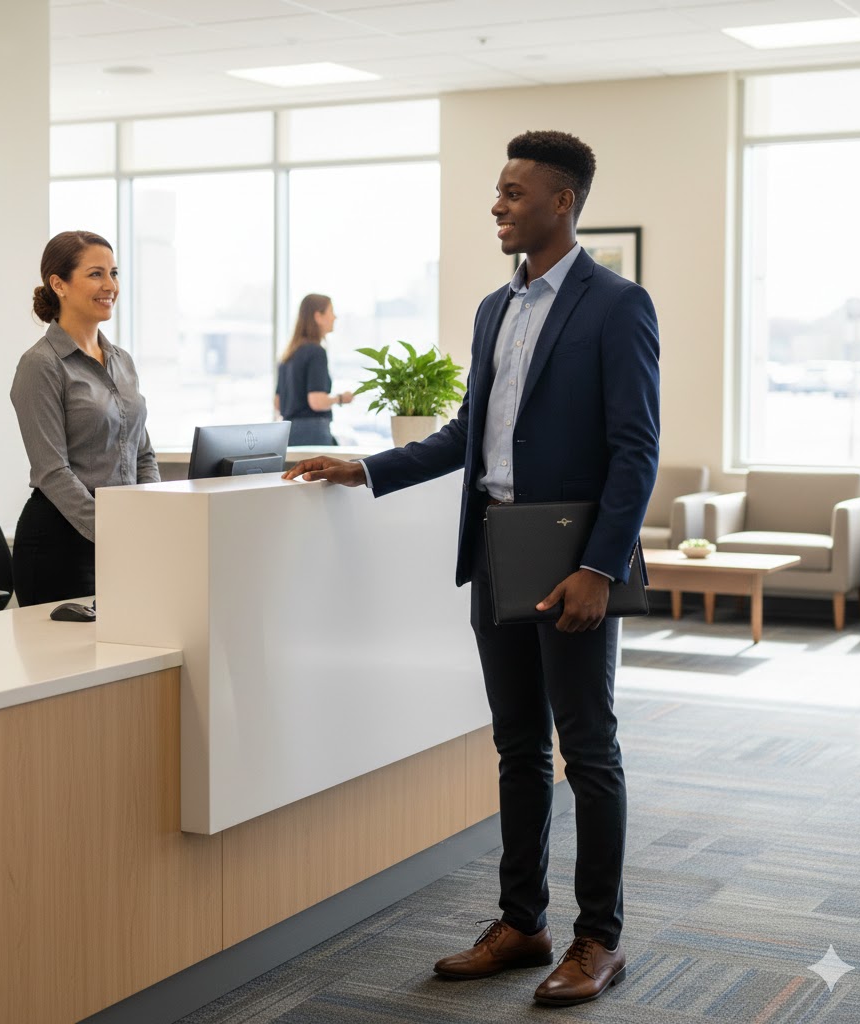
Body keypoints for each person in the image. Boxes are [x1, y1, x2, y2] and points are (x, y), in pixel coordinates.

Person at [283, 130, 660, 1007]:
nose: (497, 204)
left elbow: (636, 450)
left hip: (570, 557)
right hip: (496, 550)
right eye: (497, 192)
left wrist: (601, 567)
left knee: (589, 750)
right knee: (517, 747)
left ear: (561, 201)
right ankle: (521, 921)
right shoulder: (497, 308)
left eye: (513, 192)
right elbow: (467, 437)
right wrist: (367, 467)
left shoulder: (616, 304)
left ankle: (598, 939)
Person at [10, 230, 159, 606]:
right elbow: (52, 470)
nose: (110, 285)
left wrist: (152, 510)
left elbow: (143, 454)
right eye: (96, 274)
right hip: (60, 543)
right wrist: (112, 530)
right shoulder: (40, 364)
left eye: (114, 273)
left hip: (122, 537)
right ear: (58, 284)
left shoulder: (122, 360)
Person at [275, 293, 353, 445]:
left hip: (288, 434)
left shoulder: (288, 355)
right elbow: (316, 402)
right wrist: (341, 398)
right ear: (318, 316)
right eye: (331, 311)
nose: (335, 317)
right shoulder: (316, 352)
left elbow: (278, 402)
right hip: (312, 433)